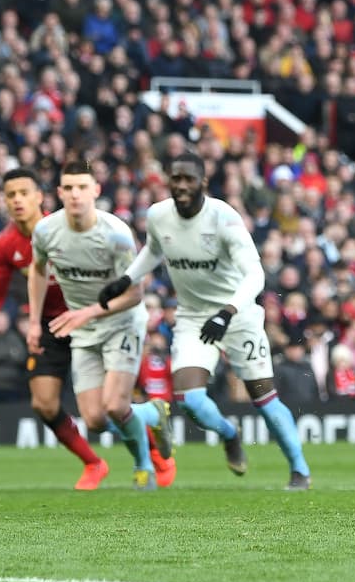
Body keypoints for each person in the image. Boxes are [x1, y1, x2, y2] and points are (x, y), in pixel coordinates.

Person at [97, 153, 312, 490]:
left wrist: (227, 312)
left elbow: (255, 274)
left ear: (203, 184)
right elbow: (154, 250)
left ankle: (299, 470)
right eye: (176, 178)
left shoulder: (223, 218)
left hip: (237, 315)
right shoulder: (158, 215)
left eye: (189, 179)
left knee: (265, 401)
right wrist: (126, 280)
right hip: (194, 317)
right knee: (191, 402)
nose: (182, 185)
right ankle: (229, 434)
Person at [0, 168, 149, 490]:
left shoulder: (64, 226)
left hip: (94, 318)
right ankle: (93, 462)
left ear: (41, 196)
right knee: (45, 404)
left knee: (112, 406)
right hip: (52, 326)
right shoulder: (7, 244)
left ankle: (147, 439)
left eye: (24, 193)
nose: (18, 200)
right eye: (11, 195)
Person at [28, 161, 174, 491]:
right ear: (59, 193)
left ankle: (143, 466)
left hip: (121, 323)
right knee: (95, 419)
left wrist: (86, 313)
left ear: (96, 190)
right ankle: (152, 413)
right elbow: (38, 271)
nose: (75, 194)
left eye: (82, 187)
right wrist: (35, 322)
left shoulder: (117, 235)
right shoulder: (46, 232)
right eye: (69, 188)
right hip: (84, 327)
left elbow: (135, 294)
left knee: (115, 405)